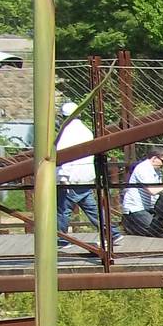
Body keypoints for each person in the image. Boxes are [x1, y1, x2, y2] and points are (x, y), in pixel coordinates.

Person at [55, 100, 114, 247]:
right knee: (92, 209)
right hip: (85, 176)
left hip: (71, 177)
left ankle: (62, 239)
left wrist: (63, 177)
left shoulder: (66, 132)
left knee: (63, 210)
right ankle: (112, 233)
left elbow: (65, 155)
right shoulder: (86, 130)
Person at [120, 148, 163, 236]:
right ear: (154, 158)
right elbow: (152, 191)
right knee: (154, 229)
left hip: (149, 207)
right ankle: (130, 225)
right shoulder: (143, 169)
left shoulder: (156, 170)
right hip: (136, 208)